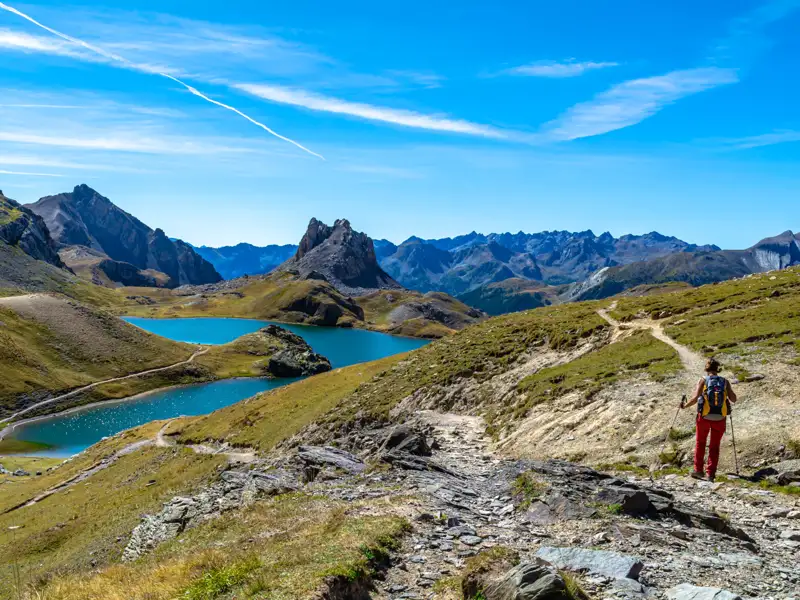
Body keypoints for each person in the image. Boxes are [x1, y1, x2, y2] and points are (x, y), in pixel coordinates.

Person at [679, 358, 737, 482]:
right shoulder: (724, 381)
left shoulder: (703, 380)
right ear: (717, 369)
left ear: (706, 368)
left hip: (704, 417)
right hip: (720, 418)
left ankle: (698, 471)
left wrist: (684, 406)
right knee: (714, 446)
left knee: (700, 443)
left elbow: (695, 398)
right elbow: (734, 399)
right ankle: (710, 474)